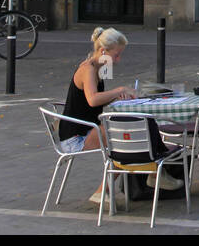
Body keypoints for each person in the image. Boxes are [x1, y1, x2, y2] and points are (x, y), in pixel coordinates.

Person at [59, 28, 143, 204]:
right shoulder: (88, 69)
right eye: (117, 55)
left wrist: (117, 96)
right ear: (104, 51)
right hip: (75, 136)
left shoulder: (102, 66)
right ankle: (101, 191)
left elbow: (99, 99)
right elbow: (93, 100)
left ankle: (153, 175)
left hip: (87, 128)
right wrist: (119, 90)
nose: (118, 60)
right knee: (126, 137)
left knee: (130, 134)